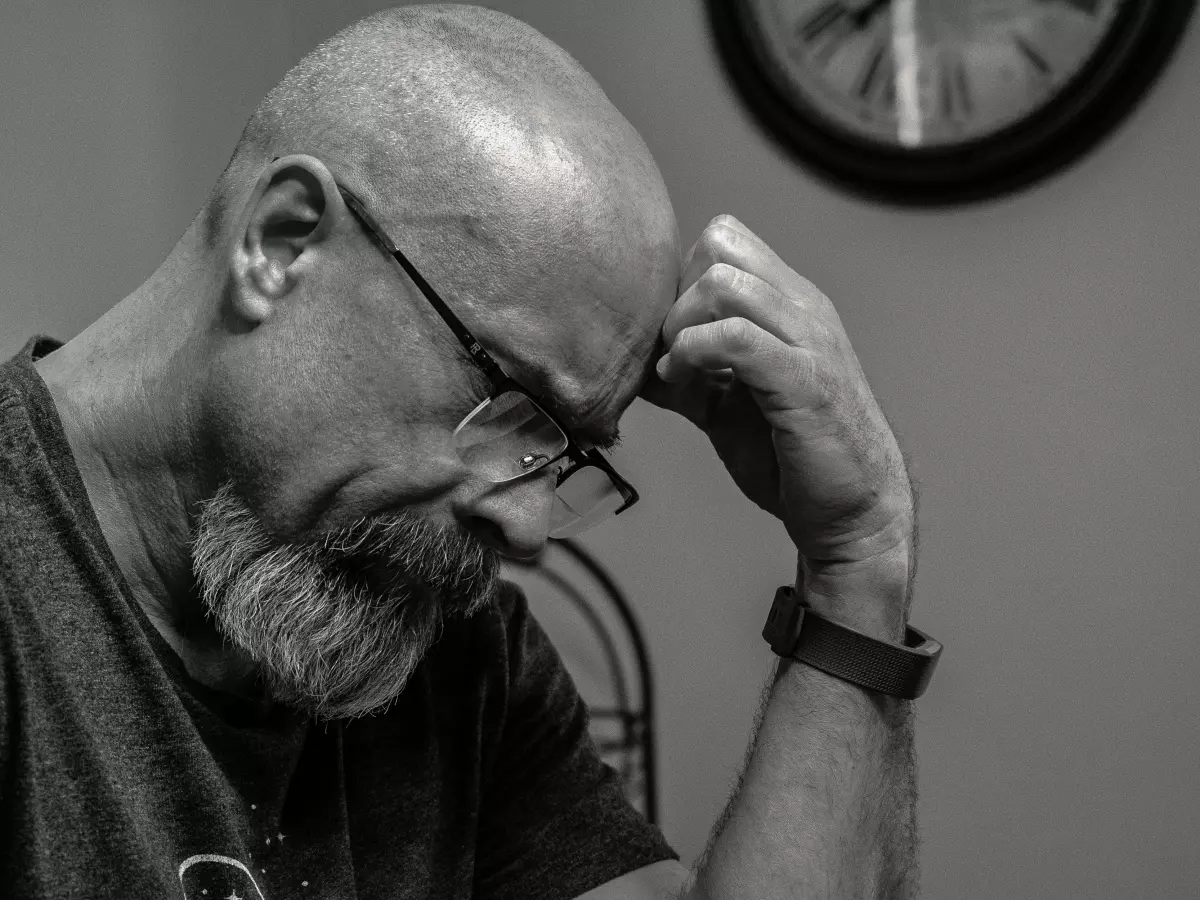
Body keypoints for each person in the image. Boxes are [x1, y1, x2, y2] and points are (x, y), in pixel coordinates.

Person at [0, 5, 925, 899]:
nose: (527, 530)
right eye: (507, 402)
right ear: (281, 242)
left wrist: (856, 558)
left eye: (564, 454)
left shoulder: (455, 656)